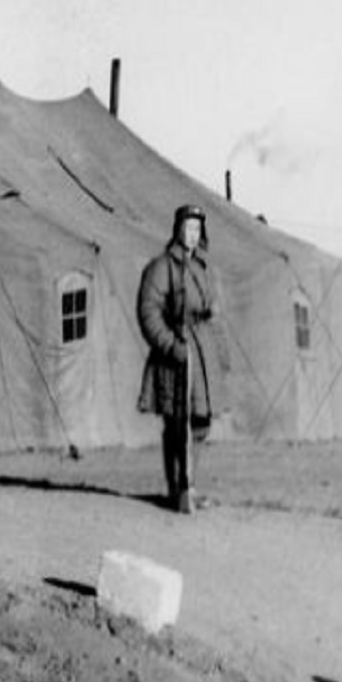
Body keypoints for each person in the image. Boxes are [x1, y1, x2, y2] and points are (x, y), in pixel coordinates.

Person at [137, 203, 228, 514]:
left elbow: (210, 310)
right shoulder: (162, 267)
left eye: (197, 229)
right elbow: (148, 311)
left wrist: (220, 352)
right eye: (188, 228)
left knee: (201, 422)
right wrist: (169, 345)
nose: (193, 235)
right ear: (178, 230)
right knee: (177, 423)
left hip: (201, 356)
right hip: (175, 355)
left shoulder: (203, 267)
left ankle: (191, 484)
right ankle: (177, 489)